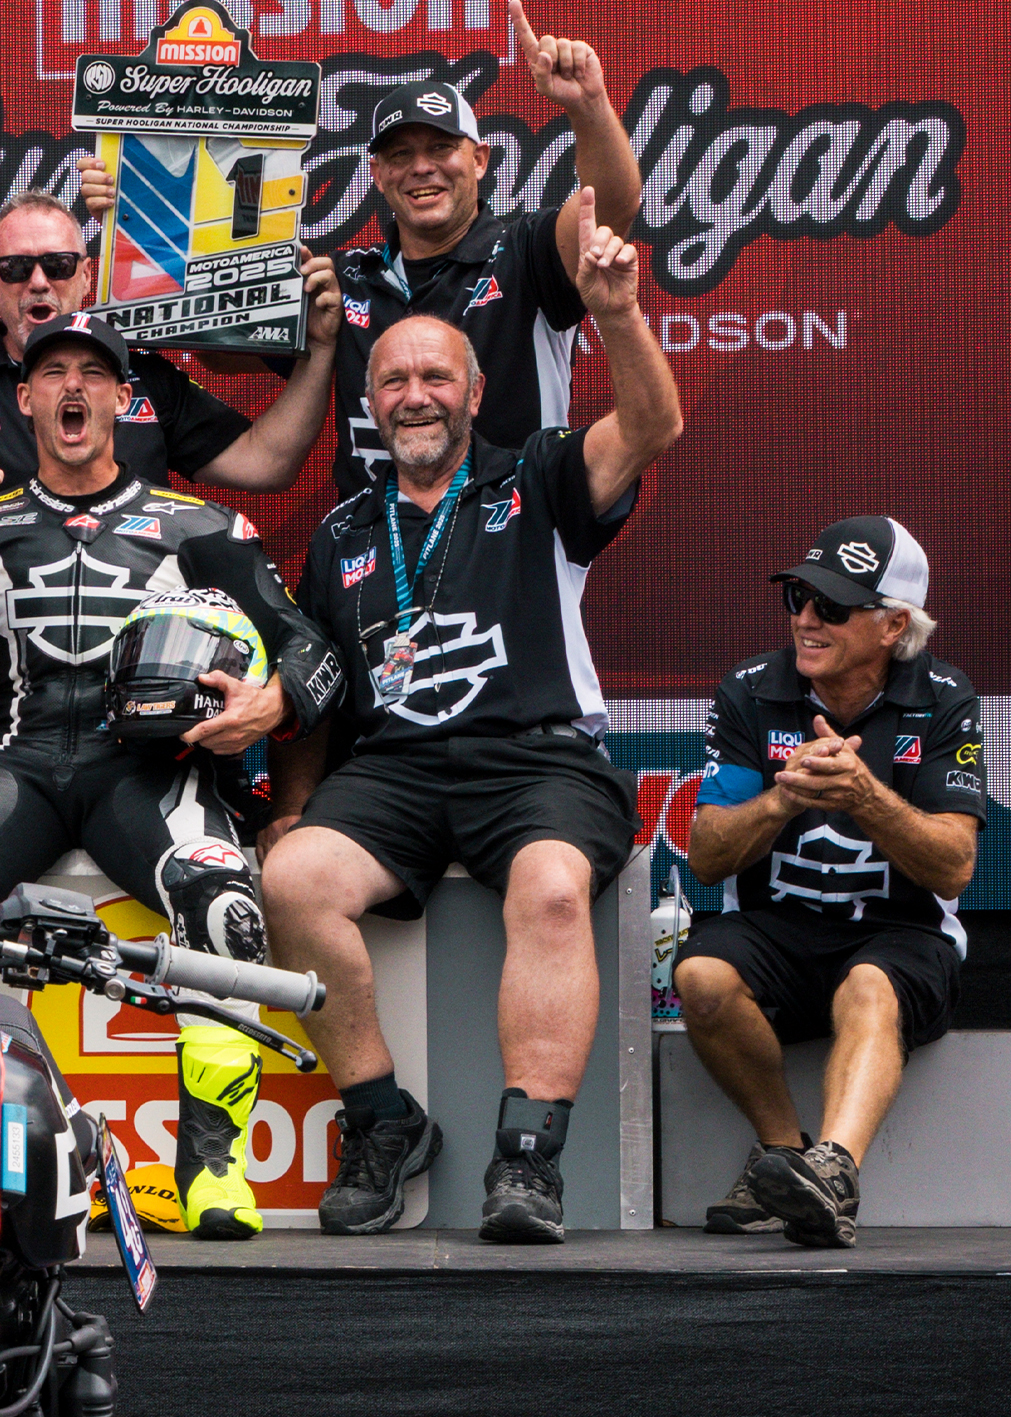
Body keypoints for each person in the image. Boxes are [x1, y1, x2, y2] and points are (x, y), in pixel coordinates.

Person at [259, 188, 682, 1244]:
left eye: (433, 376)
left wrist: (618, 312)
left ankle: (526, 1160)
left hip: (534, 757)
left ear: (475, 390)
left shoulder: (534, 475)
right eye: (393, 378)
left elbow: (653, 425)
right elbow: (315, 691)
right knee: (291, 878)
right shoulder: (343, 529)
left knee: (548, 889)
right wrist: (296, 801)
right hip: (395, 769)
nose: (413, 396)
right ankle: (382, 1119)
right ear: (368, 399)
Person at [0, 312, 344, 1240]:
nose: (71, 388)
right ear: (21, 399)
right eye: (50, 371)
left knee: (224, 903)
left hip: (141, 775)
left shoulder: (198, 524)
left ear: (122, 397)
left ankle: (214, 1167)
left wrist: (273, 704)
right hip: (11, 769)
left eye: (92, 375)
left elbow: (318, 654)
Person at [79, 0, 642, 500]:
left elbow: (609, 209)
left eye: (441, 147)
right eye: (400, 154)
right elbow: (221, 345)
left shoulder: (525, 254)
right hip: (369, 553)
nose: (421, 166)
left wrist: (587, 106)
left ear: (480, 160)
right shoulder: (347, 280)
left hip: (504, 541)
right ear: (375, 174)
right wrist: (139, 212)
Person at [676, 518, 980, 1248]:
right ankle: (785, 1157)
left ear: (893, 624)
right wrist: (784, 797)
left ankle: (834, 1169)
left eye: (832, 606)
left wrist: (864, 796)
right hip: (776, 928)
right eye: (798, 596)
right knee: (699, 974)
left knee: (868, 985)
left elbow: (953, 865)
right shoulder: (751, 689)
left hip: (901, 933)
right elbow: (706, 857)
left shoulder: (943, 697)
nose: (805, 619)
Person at [0, 184, 340, 516]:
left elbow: (268, 463)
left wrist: (318, 349)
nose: (36, 282)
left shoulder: (142, 377)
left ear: (85, 277)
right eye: (14, 268)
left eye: (56, 265)